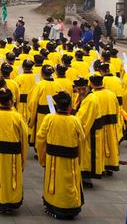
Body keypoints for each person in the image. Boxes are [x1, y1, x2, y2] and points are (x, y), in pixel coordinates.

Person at [36, 91, 85, 219]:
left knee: (54, 180)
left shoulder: (49, 118)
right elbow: (82, 140)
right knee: (69, 182)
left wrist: (42, 157)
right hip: (71, 159)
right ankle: (70, 206)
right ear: (69, 106)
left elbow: (40, 138)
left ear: (56, 106)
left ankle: (53, 204)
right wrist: (79, 158)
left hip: (52, 157)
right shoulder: (75, 120)